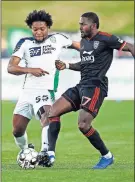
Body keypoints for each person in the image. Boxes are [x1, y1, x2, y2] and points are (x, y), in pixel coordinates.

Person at [41, 12, 134, 169]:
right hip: (81, 85)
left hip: (96, 86)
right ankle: (50, 154)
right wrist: (68, 65)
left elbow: (131, 47)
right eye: (79, 24)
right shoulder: (84, 42)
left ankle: (107, 156)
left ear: (94, 25)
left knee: (83, 125)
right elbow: (84, 64)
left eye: (83, 24)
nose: (80, 27)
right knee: (53, 112)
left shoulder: (106, 38)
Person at [7, 10, 80, 167]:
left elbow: (79, 46)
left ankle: (45, 153)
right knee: (17, 130)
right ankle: (26, 151)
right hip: (27, 92)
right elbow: (11, 68)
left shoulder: (58, 39)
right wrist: (30, 70)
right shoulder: (24, 43)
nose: (39, 32)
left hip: (46, 90)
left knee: (47, 118)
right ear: (31, 29)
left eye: (42, 29)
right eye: (35, 29)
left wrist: (95, 54)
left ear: (48, 28)